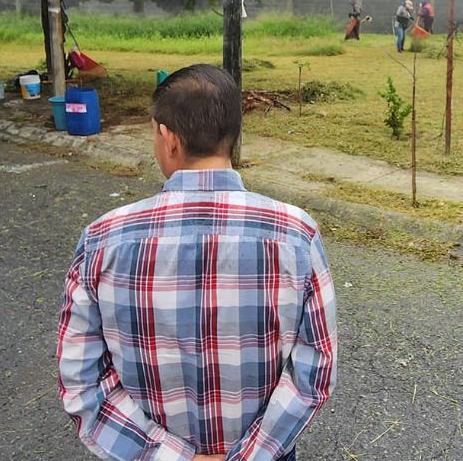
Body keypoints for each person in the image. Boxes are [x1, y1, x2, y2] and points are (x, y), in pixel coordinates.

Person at [57, 64, 337, 461]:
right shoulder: (296, 234)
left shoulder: (104, 238)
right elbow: (314, 373)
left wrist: (169, 456)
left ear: (168, 138)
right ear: (233, 134)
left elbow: (82, 381)